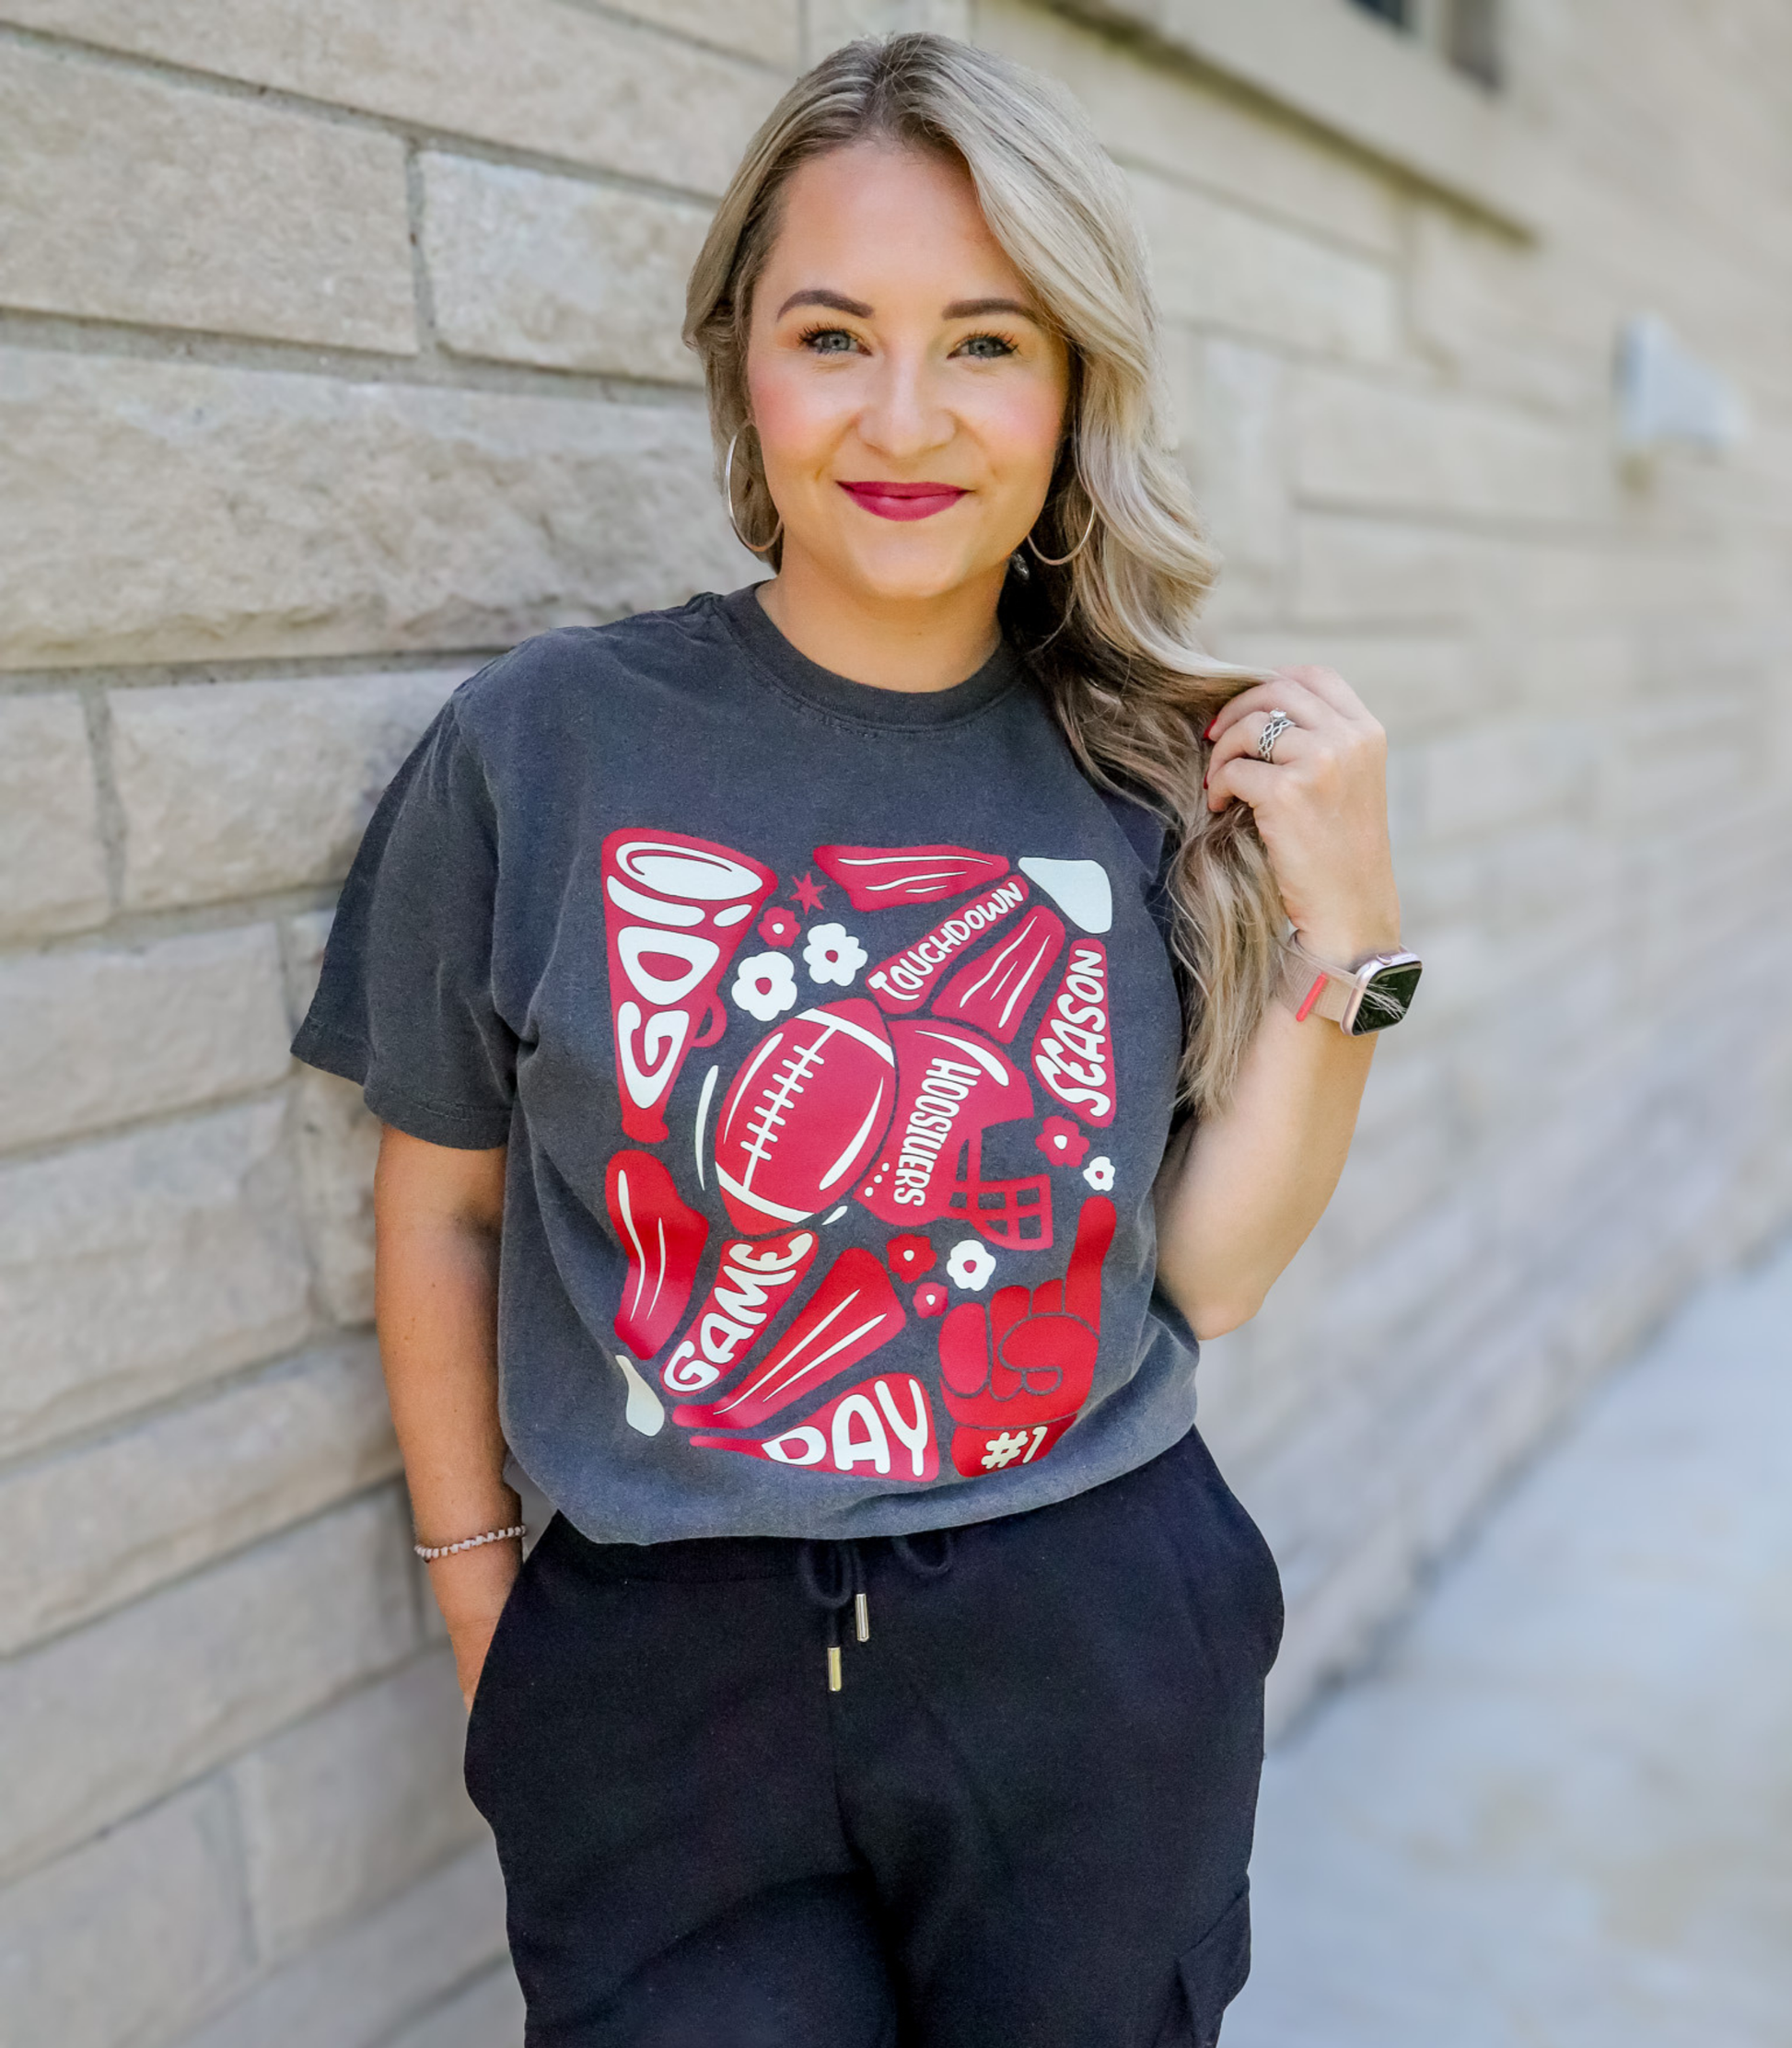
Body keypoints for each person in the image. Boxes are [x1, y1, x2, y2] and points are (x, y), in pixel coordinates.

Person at [294, 32, 1419, 2048]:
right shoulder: (542, 749)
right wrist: (484, 1608)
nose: (906, 418)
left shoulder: (1139, 773)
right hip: (660, 1686)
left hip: (1087, 1643)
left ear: (1071, 384)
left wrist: (1351, 939)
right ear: (741, 359)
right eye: (834, 335)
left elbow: (1206, 1277)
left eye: (985, 342)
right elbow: (442, 1204)